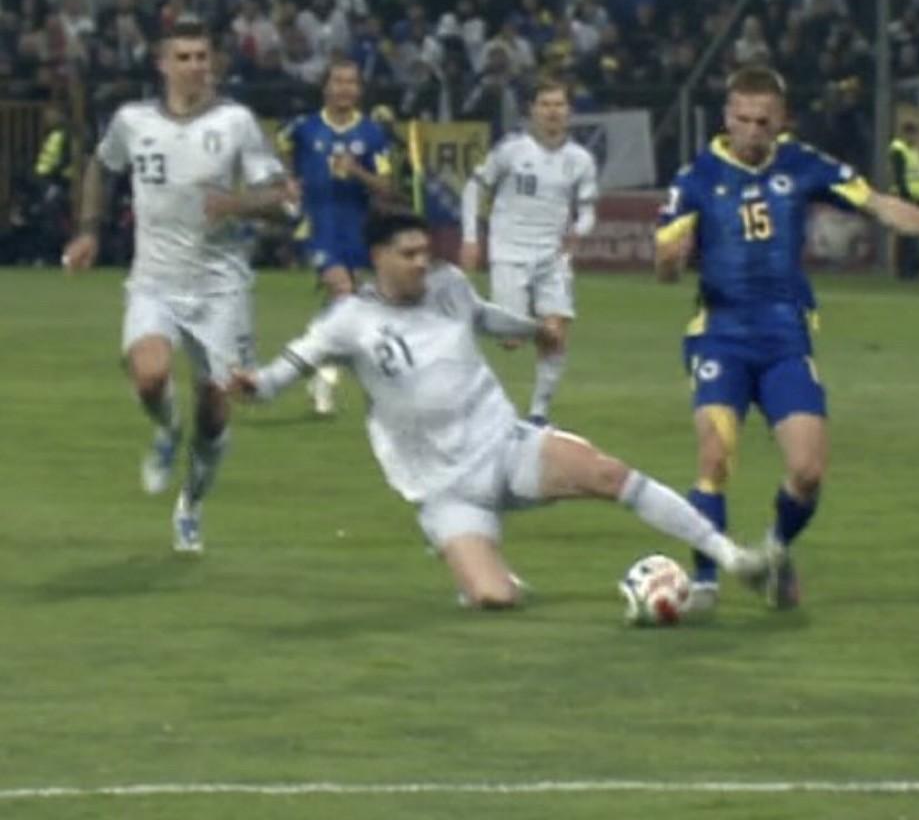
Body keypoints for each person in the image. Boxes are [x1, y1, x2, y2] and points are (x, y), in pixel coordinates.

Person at [232, 213, 765, 607]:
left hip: (505, 445)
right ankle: (488, 573)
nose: (421, 263)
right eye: (408, 254)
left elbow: (484, 316)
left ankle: (733, 557)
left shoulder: (447, 285)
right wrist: (252, 386)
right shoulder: (347, 322)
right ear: (379, 257)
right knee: (494, 600)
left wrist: (535, 331)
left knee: (609, 474)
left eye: (425, 252)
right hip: (443, 487)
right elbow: (284, 372)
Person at [655, 65, 919, 611]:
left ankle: (774, 552)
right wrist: (670, 262)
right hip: (720, 337)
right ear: (727, 117)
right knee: (714, 457)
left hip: (785, 339)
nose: (752, 131)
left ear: (781, 121)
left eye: (763, 121)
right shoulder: (695, 178)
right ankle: (706, 584)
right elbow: (665, 267)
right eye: (742, 119)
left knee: (808, 471)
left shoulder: (802, 164)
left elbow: (880, 205)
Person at [63, 19, 295, 554]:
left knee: (214, 410)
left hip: (221, 287)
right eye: (184, 57)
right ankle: (167, 431)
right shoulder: (133, 120)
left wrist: (236, 203)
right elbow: (100, 166)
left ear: (213, 63)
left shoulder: (236, 122)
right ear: (163, 64)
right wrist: (89, 230)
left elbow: (282, 200)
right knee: (149, 375)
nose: (194, 66)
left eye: (201, 57)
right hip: (155, 281)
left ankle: (190, 503)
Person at [459, 76, 599, 427]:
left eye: (559, 105)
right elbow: (473, 189)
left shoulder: (580, 160)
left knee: (556, 332)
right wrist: (470, 238)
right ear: (532, 111)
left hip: (553, 256)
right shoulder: (511, 150)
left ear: (569, 111)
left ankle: (538, 416)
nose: (553, 112)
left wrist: (578, 231)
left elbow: (588, 211)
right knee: (511, 340)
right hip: (510, 252)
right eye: (545, 105)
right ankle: (464, 333)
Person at [278, 59, 393, 415]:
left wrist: (357, 171)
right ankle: (325, 377)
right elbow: (281, 146)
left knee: (348, 303)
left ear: (359, 90)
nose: (344, 88)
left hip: (355, 226)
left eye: (351, 82)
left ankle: (319, 366)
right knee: (342, 291)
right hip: (317, 225)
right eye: (338, 81)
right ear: (326, 87)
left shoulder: (372, 134)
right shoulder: (305, 128)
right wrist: (288, 181)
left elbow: (386, 187)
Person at [889, 119, 919, 279]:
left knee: (913, 234)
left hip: (917, 198)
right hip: (906, 197)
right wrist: (906, 196)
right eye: (910, 134)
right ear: (904, 134)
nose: (913, 137)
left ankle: (912, 270)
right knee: (906, 235)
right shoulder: (899, 150)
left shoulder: (914, 152)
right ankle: (904, 270)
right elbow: (899, 175)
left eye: (914, 134)